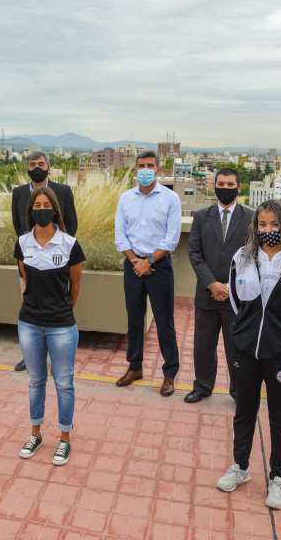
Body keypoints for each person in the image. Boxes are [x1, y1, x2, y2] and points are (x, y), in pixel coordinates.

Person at [216, 199, 281, 510]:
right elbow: (236, 301)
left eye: (275, 224)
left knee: (280, 419)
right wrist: (248, 333)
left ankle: (277, 478)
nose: (268, 230)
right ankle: (241, 468)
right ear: (255, 227)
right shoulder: (243, 257)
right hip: (245, 351)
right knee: (243, 412)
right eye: (262, 225)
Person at [14, 187, 84, 466]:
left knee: (64, 383)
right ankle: (35, 433)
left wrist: (62, 313)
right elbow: (25, 282)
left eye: (46, 205)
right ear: (30, 211)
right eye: (36, 205)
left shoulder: (70, 244)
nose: (41, 209)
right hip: (29, 324)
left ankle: (65, 438)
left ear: (55, 210)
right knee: (35, 381)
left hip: (62, 327)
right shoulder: (22, 243)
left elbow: (75, 286)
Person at [113, 150, 182, 396]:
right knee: (134, 318)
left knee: (165, 320)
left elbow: (171, 238)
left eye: (150, 165)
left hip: (159, 266)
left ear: (158, 170)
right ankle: (135, 367)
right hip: (133, 266)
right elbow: (120, 236)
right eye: (141, 165)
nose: (145, 169)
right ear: (135, 170)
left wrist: (149, 260)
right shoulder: (125, 199)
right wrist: (135, 261)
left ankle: (169, 374)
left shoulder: (170, 198)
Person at [184, 167, 254, 403]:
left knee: (236, 348)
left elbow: (254, 258)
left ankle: (238, 392)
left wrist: (229, 286)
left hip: (237, 297)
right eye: (221, 185)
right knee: (203, 346)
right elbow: (194, 253)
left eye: (230, 185)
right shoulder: (201, 216)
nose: (225, 189)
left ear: (239, 187)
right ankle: (202, 387)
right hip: (207, 295)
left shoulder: (253, 218)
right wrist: (212, 284)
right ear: (214, 186)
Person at [11, 150, 78, 372]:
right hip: (28, 261)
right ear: (27, 168)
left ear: (48, 166)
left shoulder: (63, 191)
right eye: (32, 164)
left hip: (56, 264)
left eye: (41, 163)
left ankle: (56, 352)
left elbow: (71, 224)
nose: (36, 167)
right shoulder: (19, 193)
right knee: (29, 306)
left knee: (57, 308)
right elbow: (18, 227)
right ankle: (30, 355)